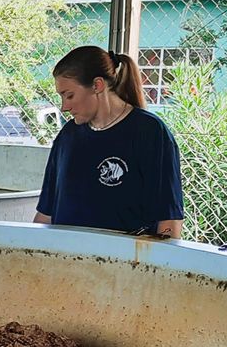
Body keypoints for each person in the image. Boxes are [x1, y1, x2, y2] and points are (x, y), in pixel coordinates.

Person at [34, 45, 184, 238]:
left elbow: (169, 219)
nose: (64, 107)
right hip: (67, 259)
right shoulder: (68, 136)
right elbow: (46, 213)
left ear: (97, 85)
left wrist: (160, 263)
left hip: (125, 260)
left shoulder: (150, 132)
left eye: (69, 95)